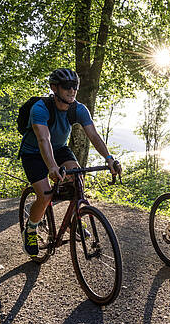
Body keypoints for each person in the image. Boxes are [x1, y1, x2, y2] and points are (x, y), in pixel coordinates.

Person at [19, 68, 121, 257]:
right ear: (54, 88)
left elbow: (93, 135)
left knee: (77, 180)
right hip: (33, 153)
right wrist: (51, 167)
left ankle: (74, 222)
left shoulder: (79, 109)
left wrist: (109, 159)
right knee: (46, 195)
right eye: (67, 87)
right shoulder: (40, 108)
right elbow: (43, 140)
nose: (72, 90)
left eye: (75, 86)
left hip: (59, 149)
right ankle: (31, 229)